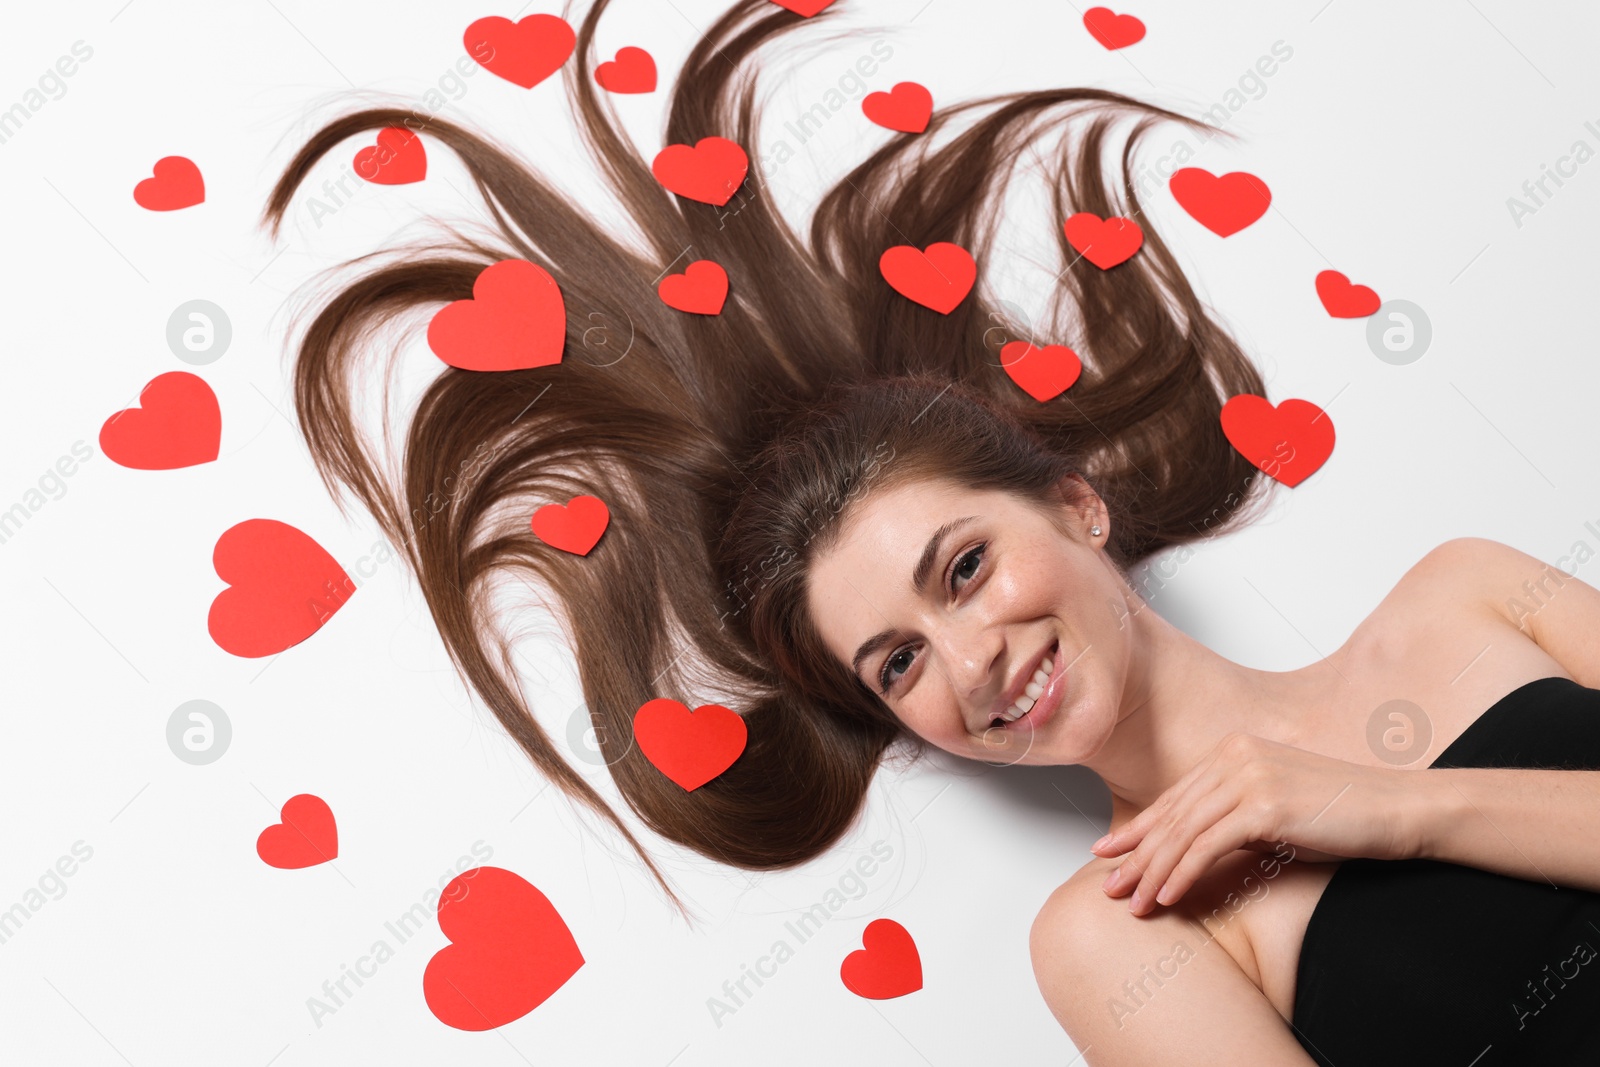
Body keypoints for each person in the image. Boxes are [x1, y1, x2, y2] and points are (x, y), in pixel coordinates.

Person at [259, 0, 1600, 1061]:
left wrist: (1403, 810)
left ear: (1078, 506)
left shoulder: (1466, 596)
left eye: (962, 570)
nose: (970, 665)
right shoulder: (1120, 935)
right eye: (896, 664)